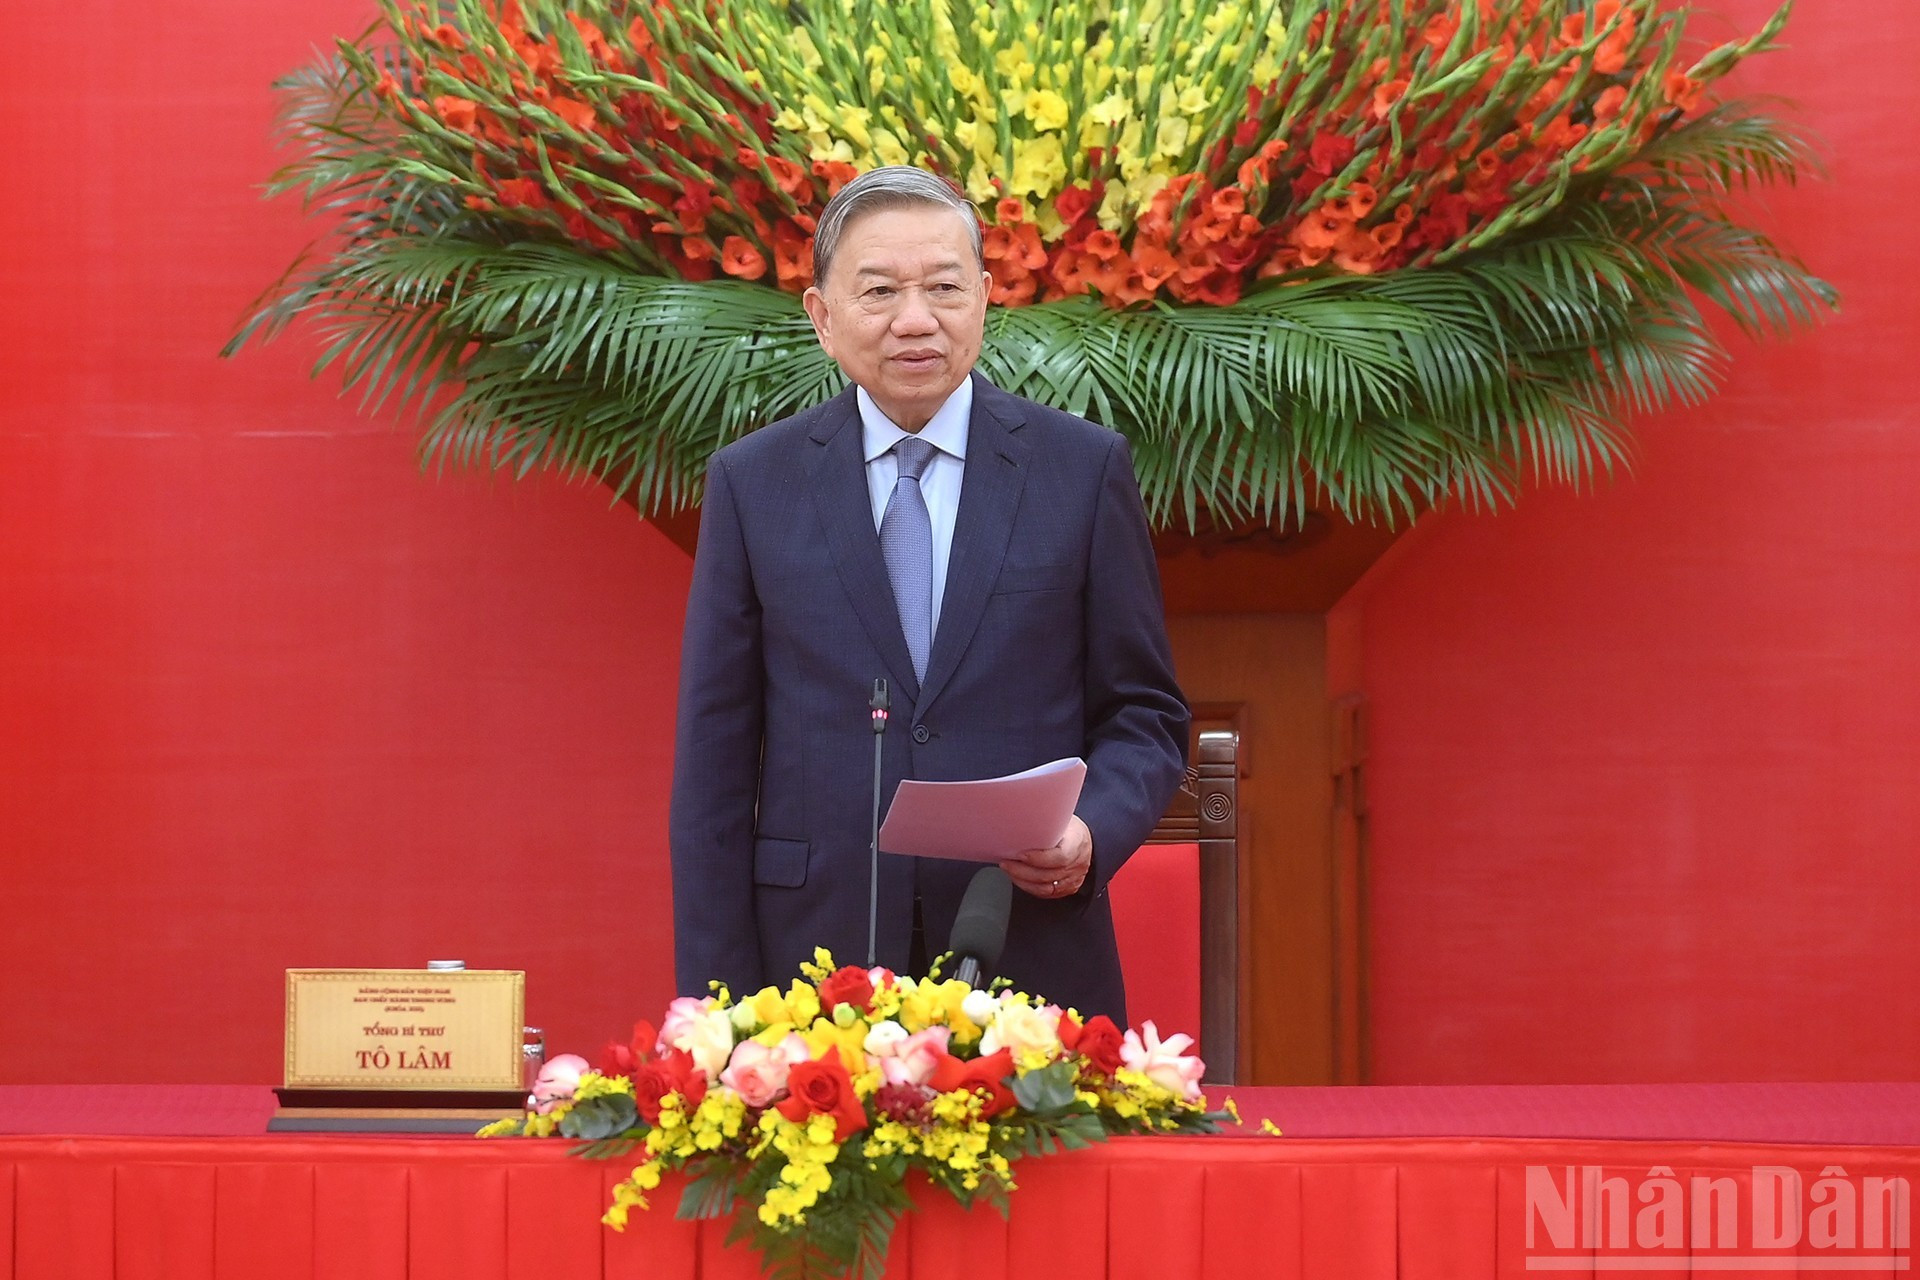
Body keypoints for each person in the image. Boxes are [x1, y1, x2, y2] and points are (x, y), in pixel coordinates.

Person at [668, 166, 1188, 1022]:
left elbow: (1144, 713)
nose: (917, 319)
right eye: (879, 291)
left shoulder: (1081, 469)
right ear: (823, 318)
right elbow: (715, 764)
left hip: (1027, 952)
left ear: (985, 299)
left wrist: (1090, 832)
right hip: (808, 973)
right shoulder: (754, 483)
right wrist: (717, 1012)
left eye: (944, 287)